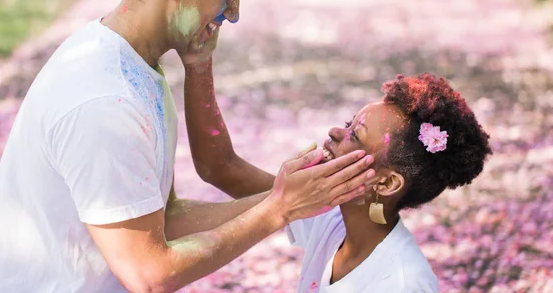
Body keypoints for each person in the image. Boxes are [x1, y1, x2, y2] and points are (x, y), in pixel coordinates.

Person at [0, 0, 376, 292]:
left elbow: (165, 218)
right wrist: (276, 210)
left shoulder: (132, 61)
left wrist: (285, 197)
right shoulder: (105, 100)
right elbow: (149, 274)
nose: (233, 14)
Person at [192, 73, 492, 292]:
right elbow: (220, 168)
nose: (335, 131)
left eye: (355, 135)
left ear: (386, 184)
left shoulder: (402, 283)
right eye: (349, 123)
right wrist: (197, 60)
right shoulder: (331, 219)